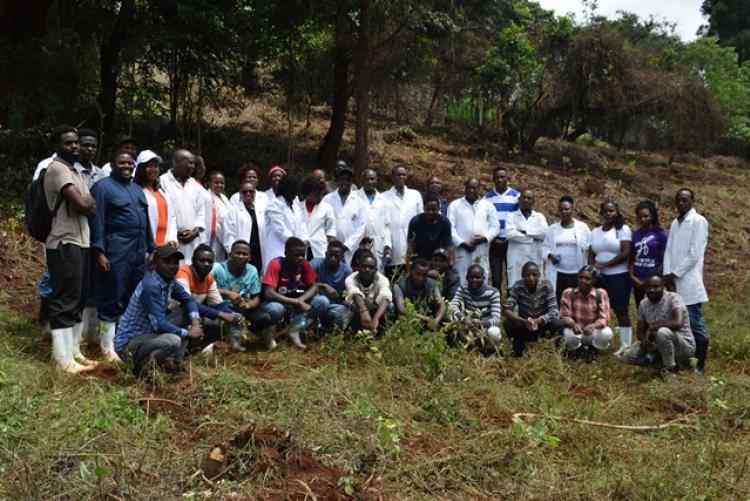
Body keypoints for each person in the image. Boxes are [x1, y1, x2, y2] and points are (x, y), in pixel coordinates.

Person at [89, 151, 156, 363]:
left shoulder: (137, 190)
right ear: (112, 164)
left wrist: (151, 248)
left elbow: (145, 221)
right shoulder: (102, 188)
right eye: (122, 162)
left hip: (138, 251)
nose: (126, 166)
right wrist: (99, 251)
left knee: (132, 296)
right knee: (113, 295)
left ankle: (123, 341)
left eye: (130, 163)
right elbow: (96, 222)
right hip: (116, 250)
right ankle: (107, 347)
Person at [43, 125, 97, 374]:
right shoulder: (57, 169)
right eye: (68, 143)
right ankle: (62, 358)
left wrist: (86, 204)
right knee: (65, 298)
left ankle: (74, 351)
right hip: (64, 241)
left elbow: (91, 205)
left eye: (76, 142)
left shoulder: (77, 172)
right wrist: (85, 204)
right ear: (56, 146)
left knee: (78, 297)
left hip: (82, 240)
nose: (74, 146)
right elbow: (81, 205)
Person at [114, 246, 204, 377]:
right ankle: (141, 369)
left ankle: (173, 364)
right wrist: (189, 333)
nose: (172, 266)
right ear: (155, 264)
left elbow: (188, 300)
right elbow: (160, 324)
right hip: (130, 345)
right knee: (174, 340)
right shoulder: (150, 286)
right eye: (166, 262)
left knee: (186, 314)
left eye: (175, 262)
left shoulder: (169, 280)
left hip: (148, 335)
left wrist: (195, 323)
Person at [664, 188, 710, 373]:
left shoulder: (698, 221)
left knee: (695, 324)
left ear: (692, 201)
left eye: (685, 200)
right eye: (678, 200)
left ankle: (699, 365)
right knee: (677, 322)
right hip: (672, 281)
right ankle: (682, 360)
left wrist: (674, 273)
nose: (681, 203)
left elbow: (694, 254)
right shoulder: (676, 222)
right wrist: (667, 275)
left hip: (689, 281)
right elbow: (669, 250)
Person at [213, 240, 284, 351]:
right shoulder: (218, 268)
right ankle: (231, 336)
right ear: (230, 255)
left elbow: (256, 297)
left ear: (249, 257)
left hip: (243, 310)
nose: (241, 256)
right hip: (222, 310)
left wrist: (247, 305)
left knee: (276, 309)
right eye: (237, 253)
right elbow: (206, 288)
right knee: (235, 341)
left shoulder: (252, 270)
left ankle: (265, 335)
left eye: (245, 254)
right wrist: (229, 293)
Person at [617, 273, 695, 372]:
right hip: (657, 345)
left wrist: (653, 327)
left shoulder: (674, 298)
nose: (652, 290)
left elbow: (678, 323)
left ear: (663, 286)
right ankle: (658, 363)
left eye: (656, 286)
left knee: (662, 332)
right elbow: (639, 333)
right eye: (648, 287)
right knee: (625, 355)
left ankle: (669, 369)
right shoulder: (643, 304)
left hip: (683, 346)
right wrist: (647, 343)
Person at [171, 245, 243, 352]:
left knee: (217, 324)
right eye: (202, 260)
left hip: (192, 316)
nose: (206, 264)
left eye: (210, 261)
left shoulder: (209, 278)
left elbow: (218, 305)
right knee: (189, 314)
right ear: (193, 260)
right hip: (172, 315)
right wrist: (222, 314)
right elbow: (187, 303)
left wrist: (234, 315)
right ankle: (177, 351)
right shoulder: (183, 273)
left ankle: (195, 348)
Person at [262, 237, 328, 350]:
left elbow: (315, 287)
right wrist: (296, 302)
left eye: (303, 255)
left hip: (295, 304)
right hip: (279, 303)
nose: (301, 258)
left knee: (322, 302)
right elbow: (269, 293)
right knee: (274, 309)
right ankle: (269, 334)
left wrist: (300, 300)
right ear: (286, 253)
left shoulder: (304, 264)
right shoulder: (276, 263)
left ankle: (295, 329)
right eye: (296, 255)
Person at [589, 200, 633, 353]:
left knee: (621, 310)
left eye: (612, 211)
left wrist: (605, 265)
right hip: (600, 277)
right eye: (605, 211)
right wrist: (592, 269)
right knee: (599, 310)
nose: (608, 214)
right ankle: (599, 342)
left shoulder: (623, 229)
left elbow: (626, 252)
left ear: (617, 212)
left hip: (619, 275)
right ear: (601, 213)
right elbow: (591, 253)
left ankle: (626, 347)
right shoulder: (595, 231)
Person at [502, 262, 563, 357]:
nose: (531, 278)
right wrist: (523, 321)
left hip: (542, 325)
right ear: (522, 276)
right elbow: (506, 309)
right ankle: (519, 348)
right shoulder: (518, 286)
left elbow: (554, 311)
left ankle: (554, 351)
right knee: (508, 323)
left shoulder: (546, 285)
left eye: (534, 275)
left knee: (558, 324)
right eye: (527, 275)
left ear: (539, 275)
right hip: (525, 326)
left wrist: (538, 321)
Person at [447, 177, 500, 286]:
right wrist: (462, 243)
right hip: (462, 251)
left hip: (481, 249)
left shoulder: (488, 205)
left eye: (475, 188)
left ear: (479, 189)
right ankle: (461, 302)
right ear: (465, 188)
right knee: (461, 279)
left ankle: (480, 303)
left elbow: (496, 227)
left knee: (480, 278)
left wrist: (484, 238)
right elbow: (450, 228)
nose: (472, 190)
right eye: (469, 188)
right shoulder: (455, 205)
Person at [159, 149, 206, 263]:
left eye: (193, 163)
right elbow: (161, 211)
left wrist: (195, 232)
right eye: (189, 163)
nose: (193, 166)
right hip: (170, 240)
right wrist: (174, 233)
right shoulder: (162, 181)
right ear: (176, 163)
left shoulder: (195, 185)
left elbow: (201, 212)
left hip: (192, 241)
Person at [542, 195, 591, 304]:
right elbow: (545, 247)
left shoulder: (582, 227)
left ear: (573, 209)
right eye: (561, 209)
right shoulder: (553, 229)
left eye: (567, 209)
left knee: (576, 301)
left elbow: (589, 247)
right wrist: (550, 255)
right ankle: (560, 321)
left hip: (576, 273)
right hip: (558, 273)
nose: (564, 212)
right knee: (559, 300)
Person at [559, 265, 613, 360]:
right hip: (576, 331)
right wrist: (572, 324)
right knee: (566, 332)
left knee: (606, 333)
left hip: (592, 332)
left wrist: (593, 326)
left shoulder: (601, 293)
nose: (583, 281)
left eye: (587, 278)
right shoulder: (568, 293)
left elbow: (605, 318)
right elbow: (564, 316)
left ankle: (593, 349)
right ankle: (576, 349)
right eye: (581, 277)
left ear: (594, 281)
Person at [447, 264, 503, 353]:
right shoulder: (463, 289)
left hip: (485, 327)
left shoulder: (493, 292)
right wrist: (464, 318)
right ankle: (471, 347)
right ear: (466, 278)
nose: (474, 280)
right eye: (471, 277)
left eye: (478, 277)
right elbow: (452, 306)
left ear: (484, 278)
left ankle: (490, 349)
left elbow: (496, 319)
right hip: (468, 325)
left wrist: (481, 323)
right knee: (454, 324)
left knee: (494, 332)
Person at [383, 166, 423, 276]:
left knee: (412, 274)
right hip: (393, 244)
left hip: (412, 243)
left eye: (403, 175)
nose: (401, 177)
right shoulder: (383, 197)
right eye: (398, 175)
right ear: (392, 177)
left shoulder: (415, 195)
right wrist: (387, 245)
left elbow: (421, 220)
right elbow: (384, 225)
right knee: (393, 277)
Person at [322, 165, 367, 264]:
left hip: (351, 250)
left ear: (352, 182)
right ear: (338, 181)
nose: (345, 183)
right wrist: (332, 245)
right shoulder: (327, 199)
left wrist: (346, 246)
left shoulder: (360, 202)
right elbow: (323, 223)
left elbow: (361, 228)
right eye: (342, 179)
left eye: (348, 180)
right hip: (330, 249)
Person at [263, 175, 308, 272]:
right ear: (287, 189)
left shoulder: (296, 206)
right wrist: (297, 243)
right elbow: (280, 230)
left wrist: (304, 239)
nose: (296, 193)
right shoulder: (274, 204)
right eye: (294, 190)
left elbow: (302, 224)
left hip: (296, 251)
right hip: (278, 249)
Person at [134, 150, 178, 248]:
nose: (153, 169)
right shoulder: (135, 190)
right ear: (141, 168)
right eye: (149, 166)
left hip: (165, 245)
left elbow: (171, 216)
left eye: (156, 166)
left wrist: (172, 238)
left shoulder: (162, 191)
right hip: (145, 247)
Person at [485, 166, 520, 290]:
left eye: (502, 177)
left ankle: (510, 306)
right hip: (494, 243)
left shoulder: (516, 196)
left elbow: (519, 220)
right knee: (496, 278)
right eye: (497, 177)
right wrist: (492, 238)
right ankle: (496, 306)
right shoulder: (487, 198)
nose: (500, 180)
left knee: (512, 276)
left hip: (511, 242)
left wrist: (510, 237)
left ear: (507, 178)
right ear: (493, 179)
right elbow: (486, 221)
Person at [506, 189, 549, 286]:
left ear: (533, 201)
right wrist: (533, 238)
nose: (526, 200)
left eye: (529, 198)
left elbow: (545, 233)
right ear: (519, 199)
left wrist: (525, 231)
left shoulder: (539, 217)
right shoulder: (511, 216)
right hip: (516, 259)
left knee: (536, 287)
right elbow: (510, 234)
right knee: (515, 287)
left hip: (535, 257)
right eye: (523, 197)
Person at [630, 201, 669, 307]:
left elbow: (666, 258)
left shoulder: (661, 235)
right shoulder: (635, 235)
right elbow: (632, 257)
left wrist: (654, 276)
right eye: (640, 217)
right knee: (641, 309)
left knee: (656, 308)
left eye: (646, 216)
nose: (643, 219)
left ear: (652, 216)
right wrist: (632, 276)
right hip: (638, 279)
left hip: (654, 281)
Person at [223, 181, 266, 273]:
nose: (248, 194)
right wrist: (232, 253)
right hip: (241, 254)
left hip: (258, 252)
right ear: (240, 194)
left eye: (251, 191)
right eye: (244, 192)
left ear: (255, 193)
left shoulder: (261, 210)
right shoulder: (233, 211)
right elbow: (228, 234)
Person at [345, 251, 392, 333]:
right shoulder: (350, 279)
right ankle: (354, 333)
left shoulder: (382, 279)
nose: (367, 270)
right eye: (364, 266)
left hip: (375, 309)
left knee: (390, 306)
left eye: (371, 267)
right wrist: (364, 311)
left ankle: (382, 332)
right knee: (352, 305)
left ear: (376, 270)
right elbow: (354, 293)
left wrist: (376, 319)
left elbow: (386, 297)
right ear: (358, 268)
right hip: (358, 309)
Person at [393, 258, 447, 328]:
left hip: (428, 315)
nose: (420, 278)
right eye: (418, 274)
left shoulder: (433, 285)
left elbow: (442, 305)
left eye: (424, 275)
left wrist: (436, 321)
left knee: (446, 318)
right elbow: (401, 309)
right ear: (411, 271)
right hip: (409, 318)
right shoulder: (399, 285)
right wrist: (425, 319)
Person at [356, 169, 391, 271]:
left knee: (377, 272)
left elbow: (387, 225)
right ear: (362, 181)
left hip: (378, 242)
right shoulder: (354, 196)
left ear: (377, 180)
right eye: (367, 179)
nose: (370, 182)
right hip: (359, 243)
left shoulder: (383, 199)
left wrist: (387, 246)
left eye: (372, 179)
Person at [310, 240, 351, 329]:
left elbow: (347, 294)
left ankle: (330, 334)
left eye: (336, 256)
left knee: (343, 312)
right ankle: (310, 326)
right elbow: (305, 280)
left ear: (342, 257)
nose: (333, 258)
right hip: (315, 304)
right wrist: (323, 285)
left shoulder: (347, 271)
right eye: (330, 255)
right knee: (323, 301)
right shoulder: (316, 263)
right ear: (325, 254)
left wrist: (343, 299)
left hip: (333, 307)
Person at [296, 176, 336, 260]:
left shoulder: (326, 208)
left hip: (320, 248)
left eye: (321, 194)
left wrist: (332, 250)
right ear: (308, 193)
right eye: (316, 194)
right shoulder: (297, 207)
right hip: (301, 248)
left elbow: (331, 230)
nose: (319, 197)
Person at [407, 195, 454, 260]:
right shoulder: (415, 222)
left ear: (439, 209)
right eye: (428, 209)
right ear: (423, 209)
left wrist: (450, 264)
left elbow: (449, 245)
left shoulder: (445, 222)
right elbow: (411, 247)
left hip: (438, 258)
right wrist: (408, 269)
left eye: (434, 210)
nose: (431, 212)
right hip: (419, 259)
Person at [205, 170, 231, 261]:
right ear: (209, 183)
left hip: (226, 238)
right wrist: (227, 243)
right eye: (216, 182)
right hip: (215, 239)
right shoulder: (207, 198)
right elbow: (214, 223)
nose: (219, 185)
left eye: (222, 183)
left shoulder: (224, 198)